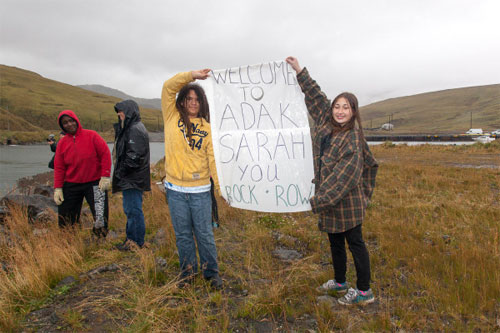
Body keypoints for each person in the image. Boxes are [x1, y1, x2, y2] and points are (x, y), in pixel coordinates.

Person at [286, 57, 378, 305]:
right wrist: (299, 71)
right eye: (337, 106)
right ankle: (339, 282)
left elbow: (340, 182)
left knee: (355, 243)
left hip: (347, 204)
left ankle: (364, 291)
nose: (339, 111)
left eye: (345, 107)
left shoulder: (352, 140)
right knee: (334, 241)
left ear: (353, 112)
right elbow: (316, 97)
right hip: (331, 204)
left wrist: (316, 202)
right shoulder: (327, 123)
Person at [161, 69, 222, 289]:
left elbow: (213, 159)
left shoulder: (207, 128)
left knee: (204, 234)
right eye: (189, 99)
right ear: (183, 101)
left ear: (202, 102)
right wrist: (191, 76)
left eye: (197, 99)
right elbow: (168, 87)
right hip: (175, 190)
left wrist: (220, 188)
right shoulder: (171, 116)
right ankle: (187, 273)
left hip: (200, 192)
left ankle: (211, 272)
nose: (193, 103)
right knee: (183, 236)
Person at [53, 110, 112, 237]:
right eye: (65, 123)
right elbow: (59, 167)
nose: (69, 124)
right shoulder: (62, 143)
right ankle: (68, 239)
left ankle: (100, 238)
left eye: (71, 121)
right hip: (71, 184)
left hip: (95, 182)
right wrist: (57, 188)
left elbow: (105, 154)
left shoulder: (92, 135)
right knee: (66, 216)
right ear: (62, 126)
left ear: (76, 120)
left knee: (100, 214)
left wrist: (105, 176)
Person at [112, 100, 151, 250]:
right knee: (131, 209)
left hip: (132, 179)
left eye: (120, 110)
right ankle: (131, 240)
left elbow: (134, 156)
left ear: (128, 111)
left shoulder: (134, 129)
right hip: (133, 178)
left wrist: (121, 173)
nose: (118, 114)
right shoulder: (133, 127)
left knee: (133, 210)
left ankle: (135, 242)